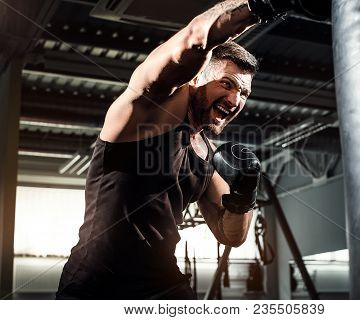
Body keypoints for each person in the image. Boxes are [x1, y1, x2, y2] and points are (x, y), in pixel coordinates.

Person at [56, 0, 294, 299]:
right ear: (195, 77)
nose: (236, 100)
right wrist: (260, 5)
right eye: (227, 84)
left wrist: (244, 194)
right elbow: (196, 38)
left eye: (244, 92)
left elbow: (230, 234)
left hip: (164, 285)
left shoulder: (206, 154)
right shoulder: (146, 111)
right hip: (99, 283)